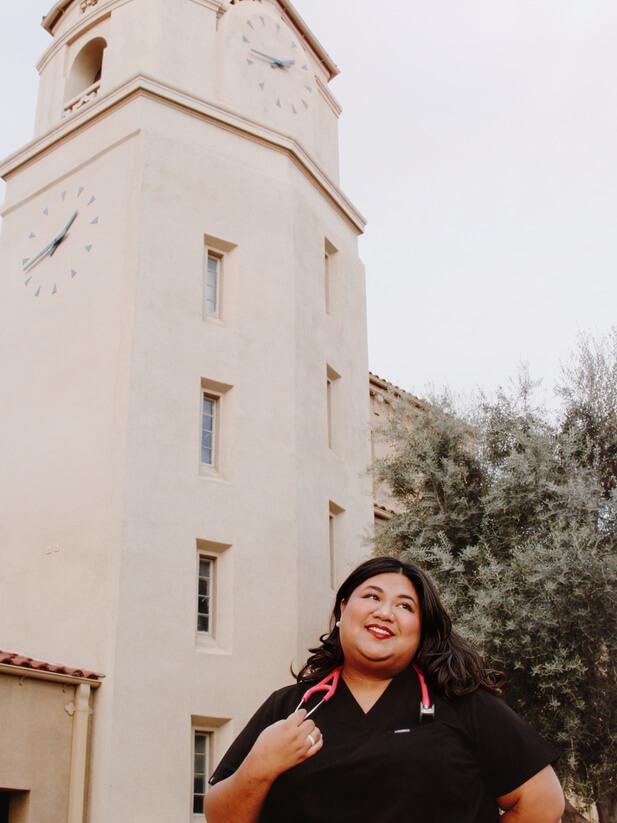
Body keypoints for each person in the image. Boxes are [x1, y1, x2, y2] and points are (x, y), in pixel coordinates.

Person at [204, 556, 564, 823]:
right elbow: (220, 816)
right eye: (372, 597)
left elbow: (542, 802)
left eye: (405, 606)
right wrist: (260, 766)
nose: (385, 612)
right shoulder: (290, 707)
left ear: (421, 628)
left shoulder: (465, 706)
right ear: (343, 609)